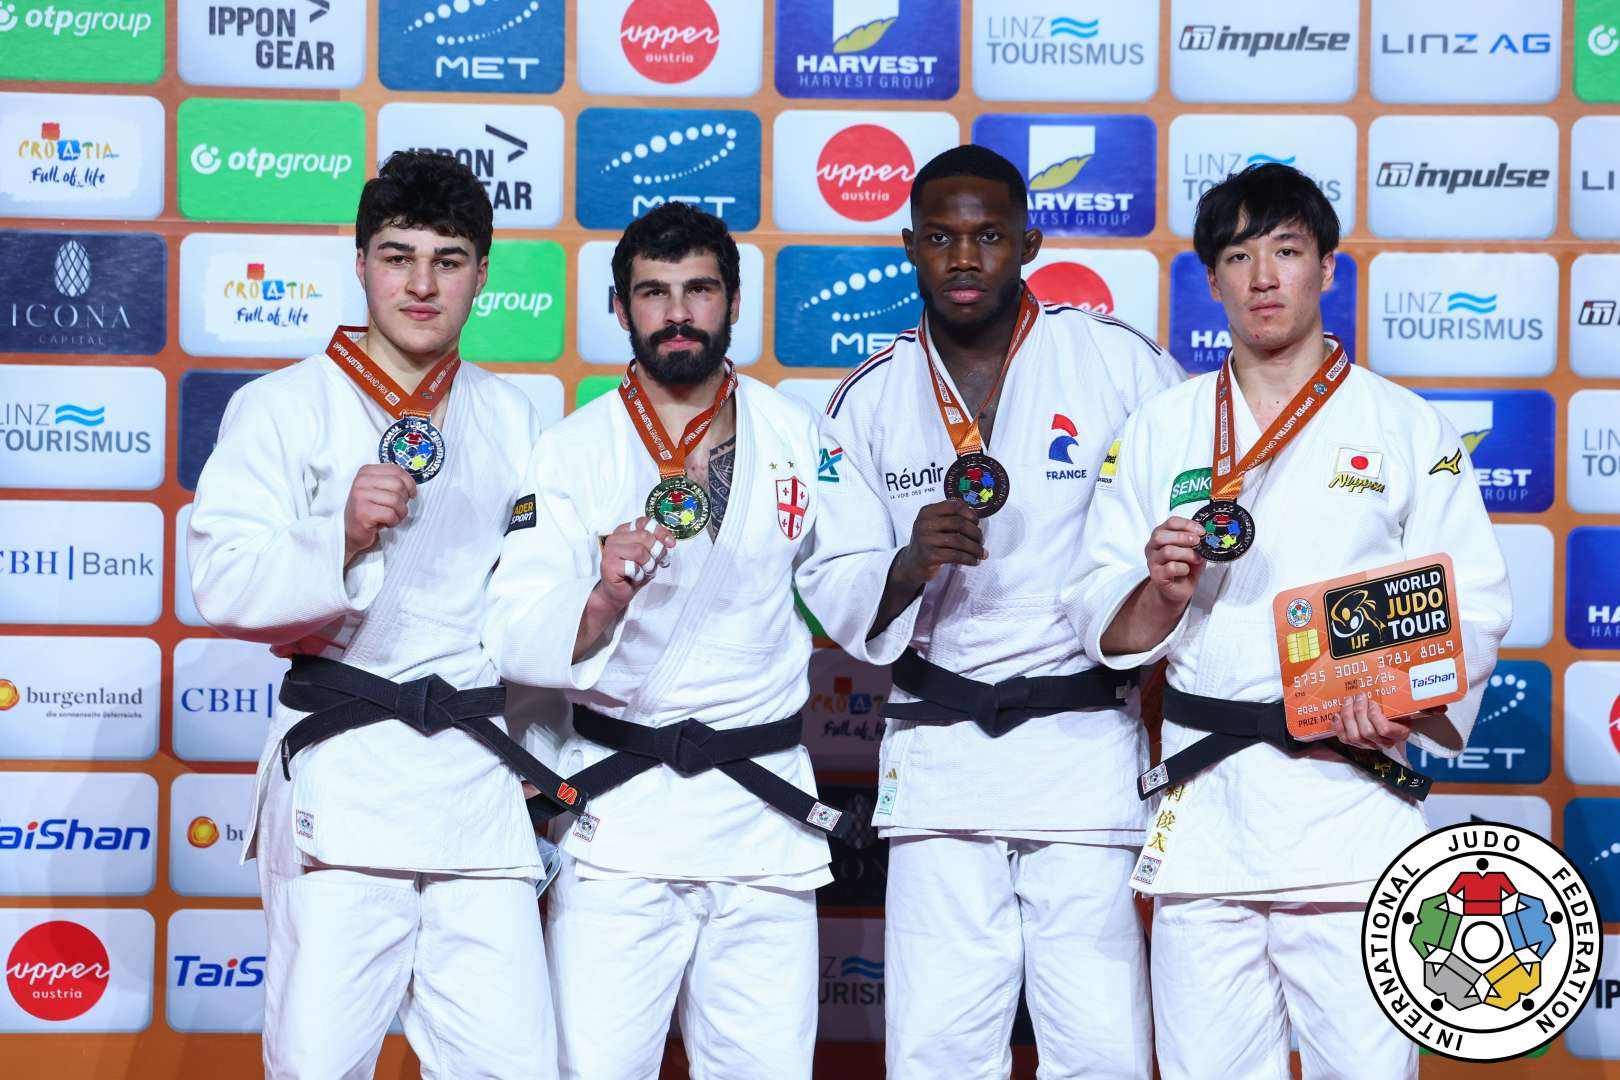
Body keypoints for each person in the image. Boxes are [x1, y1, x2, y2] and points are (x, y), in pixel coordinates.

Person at [1071, 163, 1513, 1079]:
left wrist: (1404, 704)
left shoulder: (1406, 426)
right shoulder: (1162, 425)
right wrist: (1159, 587)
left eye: (1286, 250)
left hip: (1349, 809)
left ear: (1326, 269)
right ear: (1212, 280)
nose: (1263, 276)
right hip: (1208, 817)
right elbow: (1095, 613)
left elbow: (1473, 598)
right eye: (1239, 256)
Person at [482, 201, 936, 1079]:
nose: (678, 312)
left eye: (699, 289)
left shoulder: (801, 435)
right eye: (653, 292)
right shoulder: (572, 449)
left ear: (734, 301)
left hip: (760, 819)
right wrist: (602, 595)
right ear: (619, 309)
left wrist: (908, 566)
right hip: (623, 822)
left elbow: (846, 576)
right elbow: (515, 624)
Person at [189, 150, 564, 1080]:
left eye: (448, 259)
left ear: (482, 271)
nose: (422, 283)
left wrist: (545, 767)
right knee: (319, 1066)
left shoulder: (517, 417)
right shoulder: (279, 406)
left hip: (479, 786)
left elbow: (529, 607)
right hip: (345, 773)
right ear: (359, 263)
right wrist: (341, 537)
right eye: (398, 256)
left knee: (513, 1067)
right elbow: (222, 582)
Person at [823, 144, 1183, 1079]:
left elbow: (1184, 519)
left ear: (1030, 238)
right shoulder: (865, 400)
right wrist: (908, 563)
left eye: (988, 236)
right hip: (940, 752)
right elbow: (834, 579)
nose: (966, 258)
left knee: (1101, 1043)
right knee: (939, 1046)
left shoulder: (1117, 363)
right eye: (941, 238)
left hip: (1081, 745)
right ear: (909, 246)